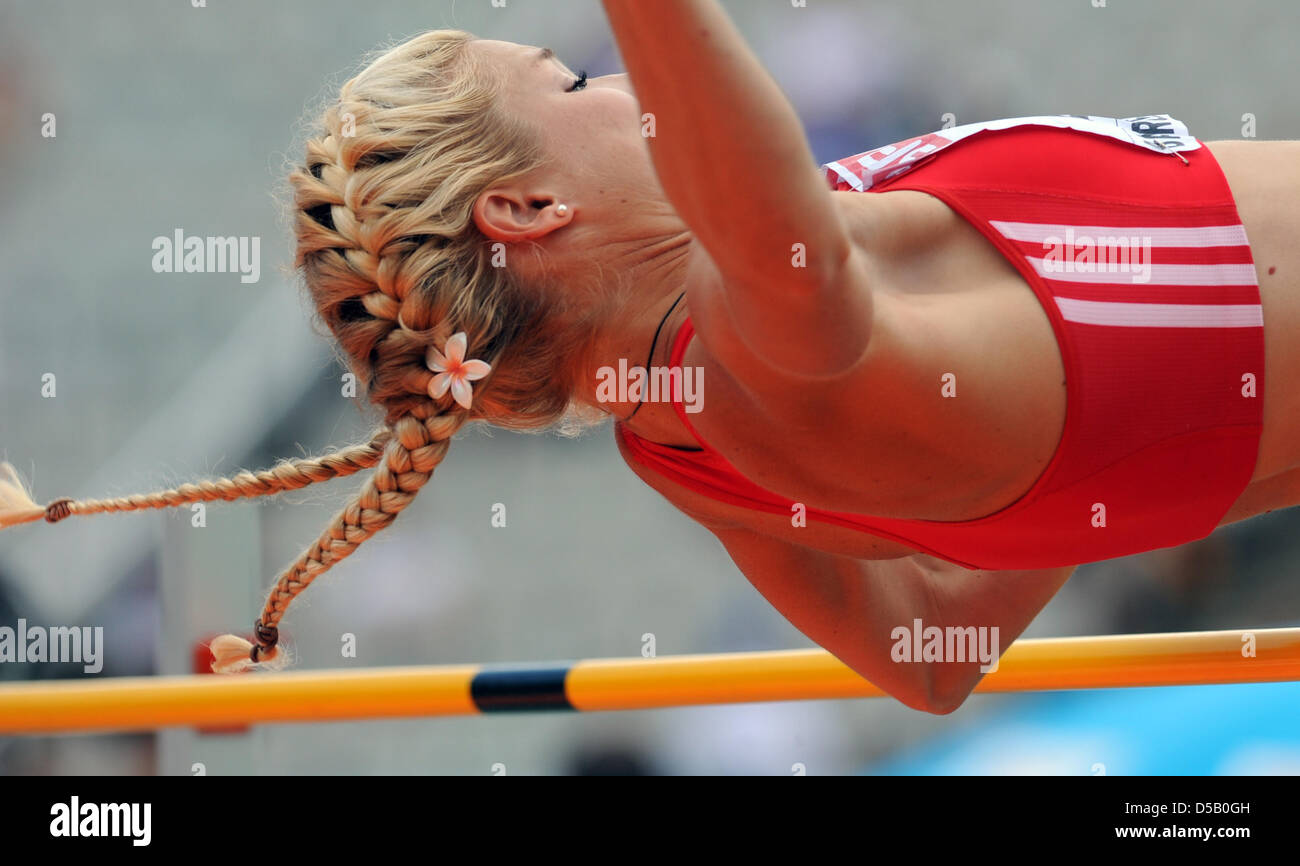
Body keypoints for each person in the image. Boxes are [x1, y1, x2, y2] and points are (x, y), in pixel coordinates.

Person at [4, 0, 1299, 714]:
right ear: (525, 211)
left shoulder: (680, 439)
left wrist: (1088, 453)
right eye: (573, 84)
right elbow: (776, 235)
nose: (622, 82)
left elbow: (932, 648)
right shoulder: (760, 332)